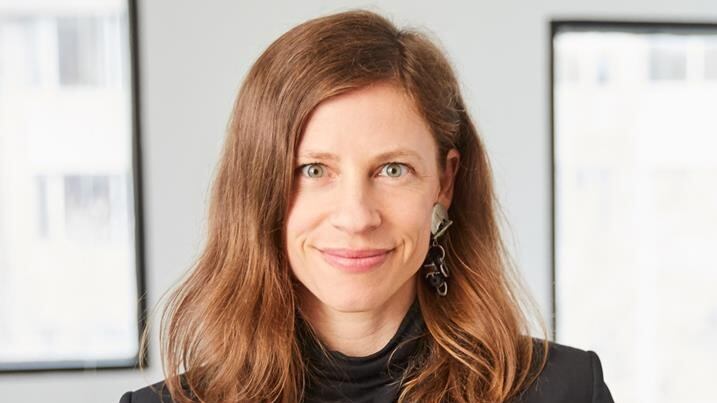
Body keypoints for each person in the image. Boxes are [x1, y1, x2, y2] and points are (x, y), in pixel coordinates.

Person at [119, 9, 614, 403]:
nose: (356, 217)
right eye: (313, 170)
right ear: (258, 187)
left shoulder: (568, 389)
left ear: (444, 182)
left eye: (393, 170)